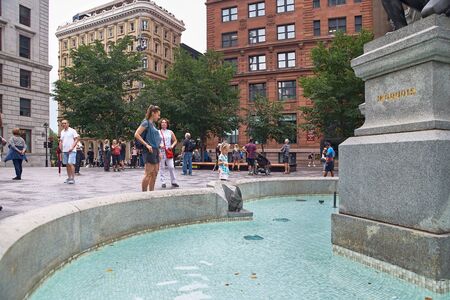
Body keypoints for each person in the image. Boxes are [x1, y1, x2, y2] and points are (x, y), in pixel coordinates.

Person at [134, 105, 161, 192]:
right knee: (148, 173)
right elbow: (136, 134)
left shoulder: (153, 124)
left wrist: (159, 151)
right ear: (153, 113)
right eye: (158, 114)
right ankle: (144, 195)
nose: (159, 117)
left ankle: (152, 193)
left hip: (155, 150)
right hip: (149, 150)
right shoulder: (146, 122)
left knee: (155, 173)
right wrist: (146, 145)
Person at [159, 118, 179, 188]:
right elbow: (155, 142)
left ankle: (173, 181)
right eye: (162, 122)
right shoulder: (158, 132)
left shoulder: (170, 132)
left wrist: (172, 146)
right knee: (162, 167)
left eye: (165, 122)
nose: (164, 123)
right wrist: (159, 145)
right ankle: (163, 182)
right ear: (160, 124)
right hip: (161, 151)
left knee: (171, 166)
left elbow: (175, 140)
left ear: (167, 124)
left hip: (168, 150)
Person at [59, 120, 79, 184]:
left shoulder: (72, 131)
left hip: (72, 150)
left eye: (65, 123)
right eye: (62, 123)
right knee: (67, 164)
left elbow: (76, 139)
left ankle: (73, 178)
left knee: (71, 163)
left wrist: (72, 147)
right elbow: (61, 141)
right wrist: (59, 148)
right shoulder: (62, 132)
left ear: (68, 123)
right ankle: (69, 177)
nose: (63, 124)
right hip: (64, 150)